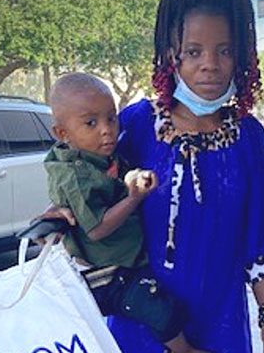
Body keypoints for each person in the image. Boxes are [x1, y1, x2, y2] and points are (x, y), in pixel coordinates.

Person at [43, 0, 264, 353]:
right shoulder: (135, 126)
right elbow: (86, 177)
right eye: (193, 51)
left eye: (224, 50)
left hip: (221, 325)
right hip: (141, 324)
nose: (210, 63)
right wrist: (63, 210)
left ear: (241, 55)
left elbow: (257, 241)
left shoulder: (250, 139)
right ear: (171, 54)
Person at [45, 72, 208, 353]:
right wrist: (133, 198)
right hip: (106, 272)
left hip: (123, 260)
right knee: (156, 307)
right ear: (62, 133)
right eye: (91, 123)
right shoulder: (75, 175)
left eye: (111, 118)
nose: (106, 129)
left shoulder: (100, 157)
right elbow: (96, 229)